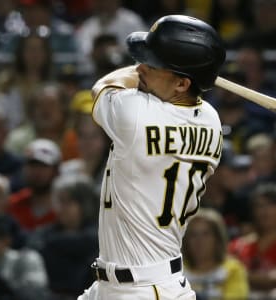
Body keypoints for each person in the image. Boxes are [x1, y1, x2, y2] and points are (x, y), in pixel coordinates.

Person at [78, 15, 226, 300]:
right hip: (134, 284)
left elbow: (104, 85)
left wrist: (143, 70)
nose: (141, 67)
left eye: (153, 64)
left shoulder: (135, 114)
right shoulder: (211, 120)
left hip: (142, 290)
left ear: (182, 84)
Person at [229, 183, 276, 299]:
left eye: (271, 205)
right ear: (252, 212)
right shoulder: (237, 246)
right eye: (259, 206)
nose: (265, 211)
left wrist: (237, 274)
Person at [182, 208, 249, 300]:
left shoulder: (233, 269)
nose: (199, 241)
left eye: (205, 234)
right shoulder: (178, 271)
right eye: (193, 235)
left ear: (217, 239)